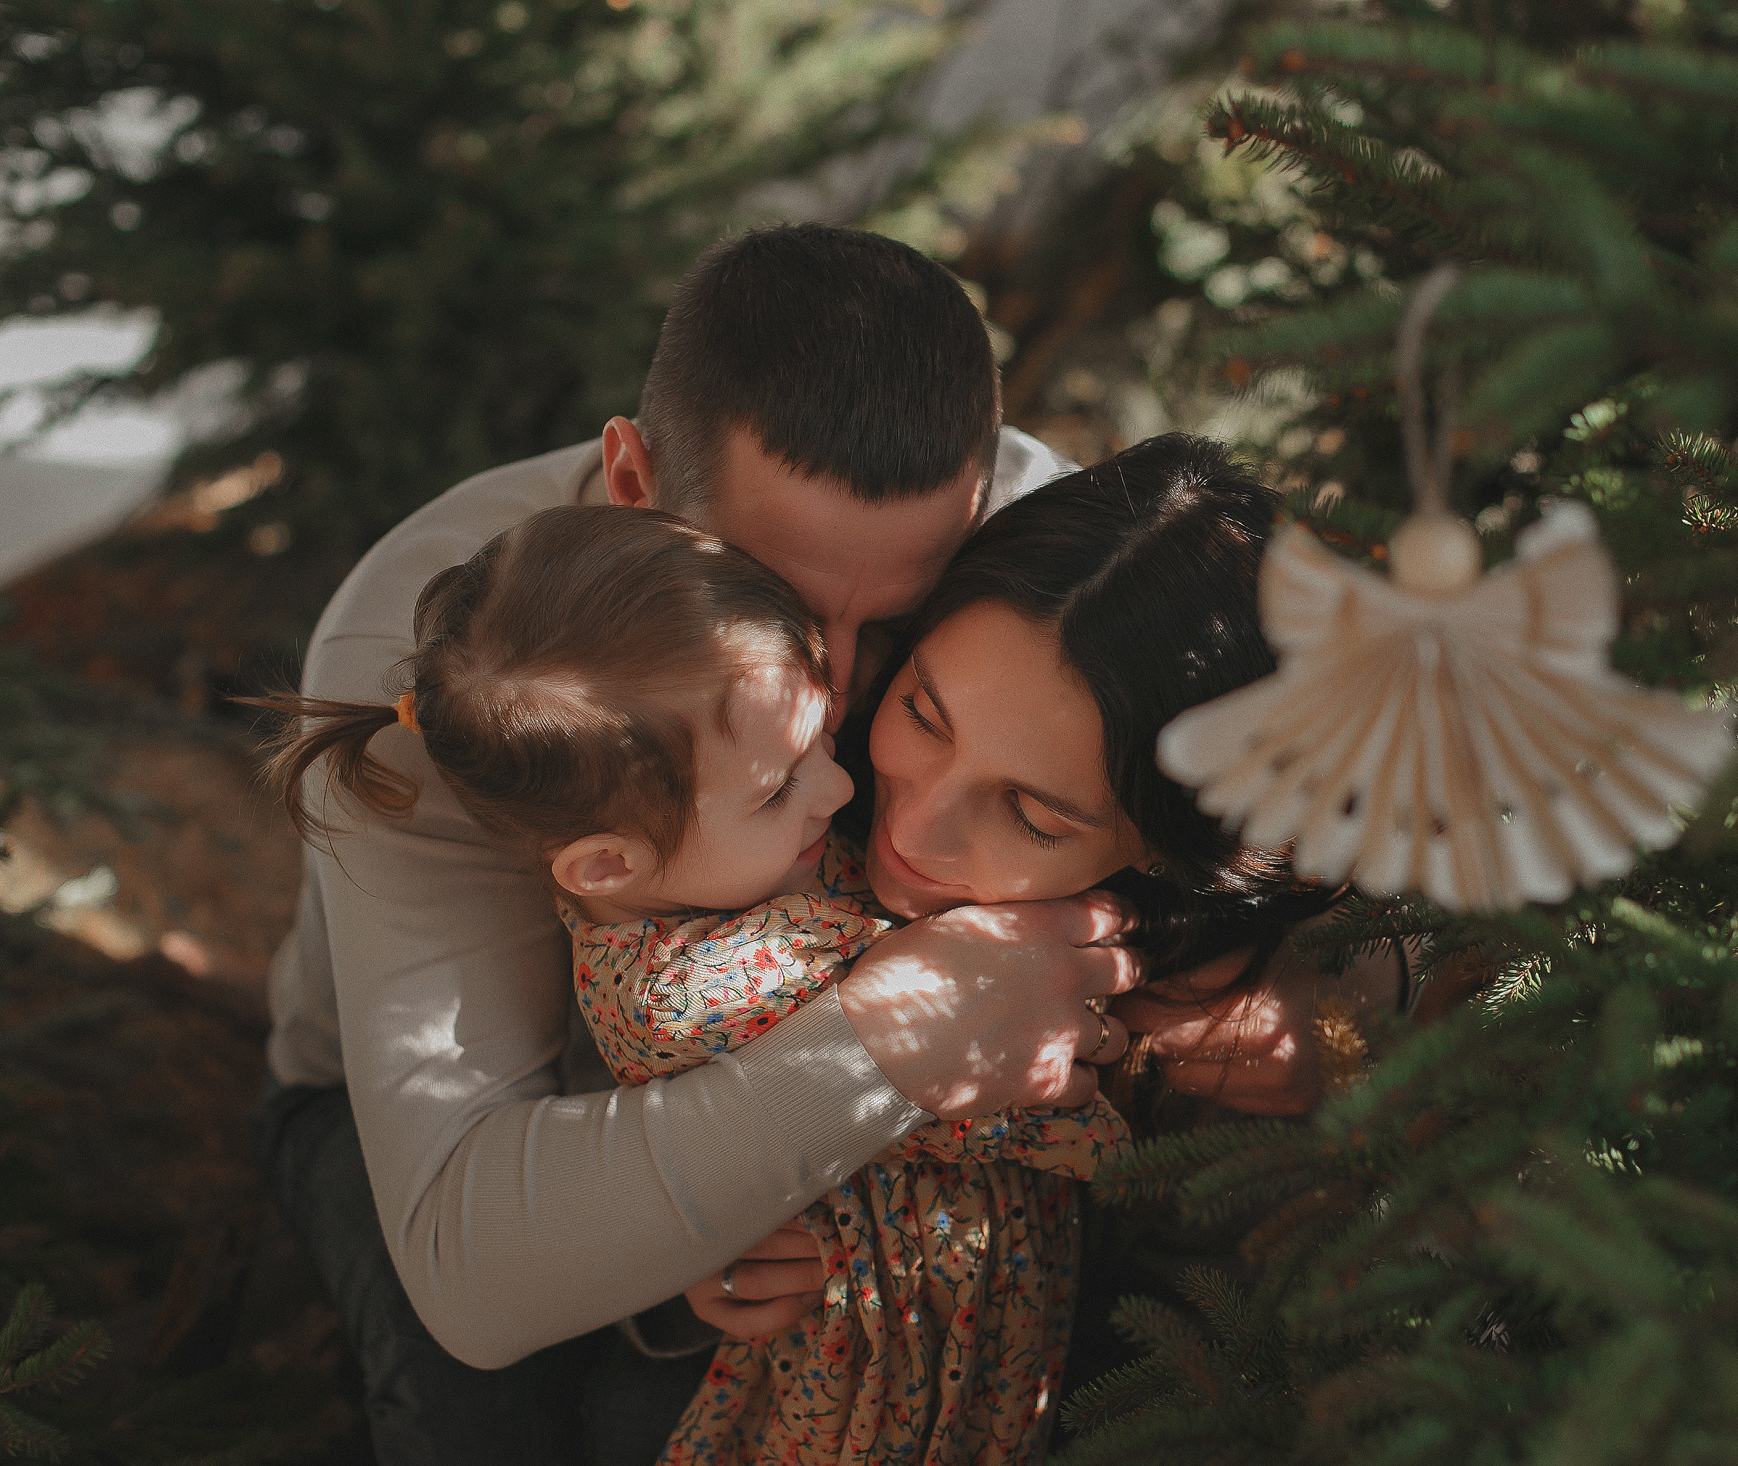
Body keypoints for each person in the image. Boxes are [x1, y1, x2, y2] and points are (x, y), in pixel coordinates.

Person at [252, 224, 1371, 1465]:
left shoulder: (1048, 549)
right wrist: (894, 1041)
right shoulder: (465, 663)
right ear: (633, 482)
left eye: (897, 621)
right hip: (401, 1122)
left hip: (865, 1174)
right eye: (772, 597)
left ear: (976, 516)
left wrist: (1266, 984)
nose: (831, 692)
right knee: (487, 1413)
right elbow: (472, 1261)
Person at [258, 501, 1130, 1464]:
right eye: (779, 787)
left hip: (912, 1283)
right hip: (382, 1129)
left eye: (825, 738)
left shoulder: (729, 790)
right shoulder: (694, 982)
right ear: (608, 866)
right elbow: (969, 1061)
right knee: (476, 1410)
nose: (839, 789)